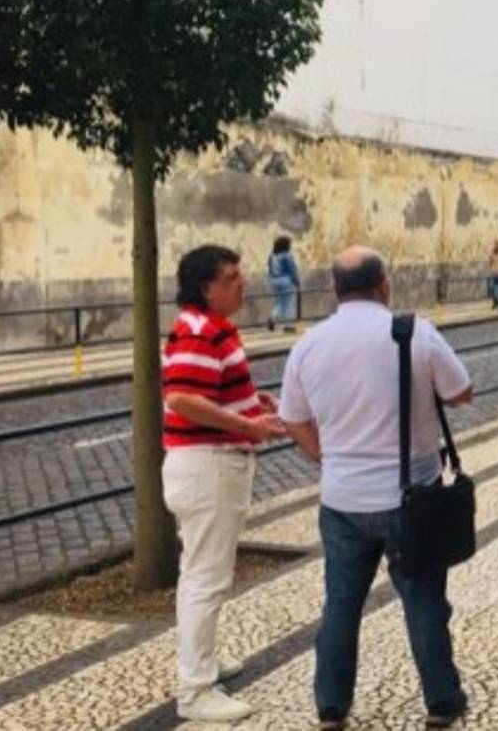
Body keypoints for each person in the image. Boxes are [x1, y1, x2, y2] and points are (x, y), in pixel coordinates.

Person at [279, 246, 474, 730]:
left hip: (342, 500)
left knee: (341, 604)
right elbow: (461, 392)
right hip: (411, 500)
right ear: (384, 285)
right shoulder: (414, 332)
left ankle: (331, 704)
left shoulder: (309, 344)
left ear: (335, 289)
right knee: (423, 600)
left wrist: (326, 457)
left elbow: (292, 419)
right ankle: (442, 700)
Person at [162, 245, 286, 722]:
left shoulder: (211, 326)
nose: (243, 282)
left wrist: (249, 400)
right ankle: (195, 691)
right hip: (208, 467)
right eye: (232, 277)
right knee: (205, 579)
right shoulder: (199, 330)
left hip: (209, 466)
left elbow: (208, 390)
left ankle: (204, 660)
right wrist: (247, 425)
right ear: (206, 288)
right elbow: (182, 398)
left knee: (202, 573)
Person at [267, 235, 301, 331]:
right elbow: (292, 270)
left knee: (279, 303)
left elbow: (269, 268)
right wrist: (297, 282)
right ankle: (288, 325)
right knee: (289, 303)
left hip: (274, 280)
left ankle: (272, 318)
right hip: (286, 281)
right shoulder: (287, 255)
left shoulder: (272, 256)